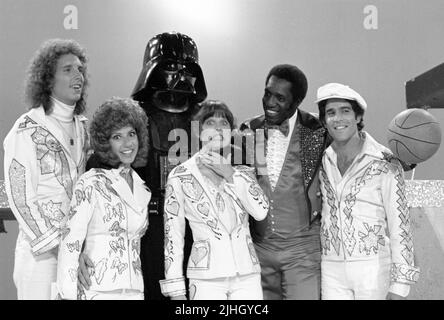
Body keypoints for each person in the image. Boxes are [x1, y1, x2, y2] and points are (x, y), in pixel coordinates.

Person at [316, 82, 420, 300]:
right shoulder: (321, 161)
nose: (338, 119)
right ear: (324, 120)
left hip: (373, 269)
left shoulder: (385, 161)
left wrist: (400, 285)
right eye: (330, 113)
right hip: (331, 270)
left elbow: (400, 224)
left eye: (345, 111)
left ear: (358, 117)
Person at [3, 39, 89, 300]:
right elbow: (21, 200)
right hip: (40, 259)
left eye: (80, 69)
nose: (78, 76)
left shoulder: (84, 127)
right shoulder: (25, 130)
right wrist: (62, 248)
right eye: (68, 69)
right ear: (47, 79)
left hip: (77, 255)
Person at [159, 100, 269, 300]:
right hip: (206, 278)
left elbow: (261, 212)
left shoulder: (242, 172)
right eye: (210, 122)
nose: (218, 127)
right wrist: (176, 291)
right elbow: (173, 235)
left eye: (224, 123)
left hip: (247, 276)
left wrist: (230, 174)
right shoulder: (180, 175)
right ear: (198, 131)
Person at [240, 64, 329, 300]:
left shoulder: (318, 130)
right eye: (267, 93)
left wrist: (397, 158)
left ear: (297, 101)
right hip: (259, 249)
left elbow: (352, 142)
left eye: (280, 98)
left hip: (303, 250)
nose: (270, 102)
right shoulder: (248, 130)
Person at [56, 97, 151, 300]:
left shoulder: (142, 187)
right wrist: (68, 294)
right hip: (96, 291)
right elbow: (70, 244)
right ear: (105, 142)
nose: (127, 144)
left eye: (131, 134)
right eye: (117, 137)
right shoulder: (91, 182)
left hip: (135, 293)